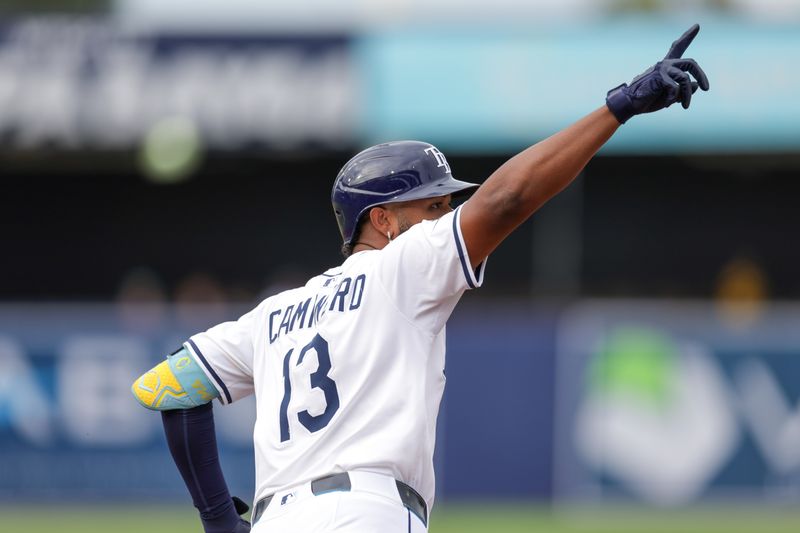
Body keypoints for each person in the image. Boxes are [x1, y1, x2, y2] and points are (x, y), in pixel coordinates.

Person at [131, 24, 709, 533]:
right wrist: (619, 108)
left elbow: (169, 386)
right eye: (430, 206)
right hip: (367, 515)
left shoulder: (275, 314)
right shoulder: (399, 269)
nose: (444, 217)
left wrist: (218, 520)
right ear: (382, 221)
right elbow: (506, 199)